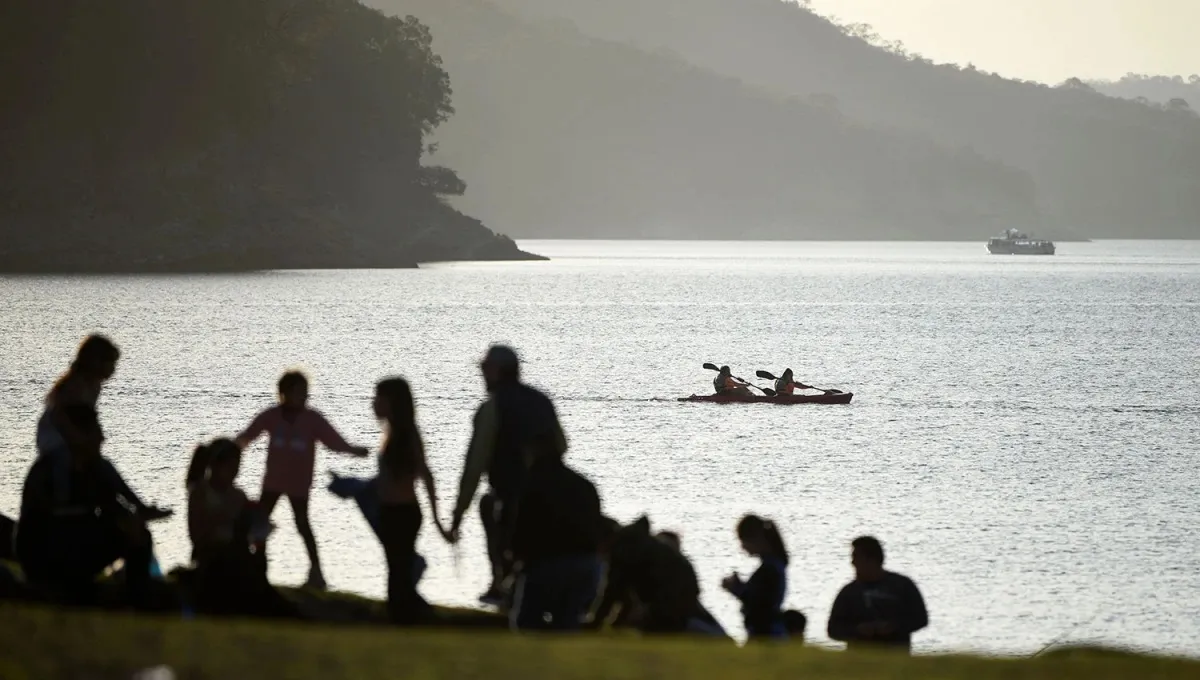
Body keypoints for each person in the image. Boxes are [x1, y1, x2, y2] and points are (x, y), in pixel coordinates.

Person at [448, 345, 568, 605]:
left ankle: (500, 584)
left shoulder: (492, 409)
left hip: (511, 494)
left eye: (484, 369)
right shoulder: (542, 400)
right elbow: (562, 445)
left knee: (489, 509)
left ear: (496, 372)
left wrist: (458, 512)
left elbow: (474, 464)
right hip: (550, 492)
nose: (481, 374)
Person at [236, 371, 369, 590]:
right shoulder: (272, 415)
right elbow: (248, 436)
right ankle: (256, 569)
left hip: (298, 484)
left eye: (305, 392)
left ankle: (316, 574)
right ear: (284, 393)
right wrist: (228, 448)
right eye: (298, 391)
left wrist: (354, 450)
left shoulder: (312, 419)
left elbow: (333, 441)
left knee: (302, 524)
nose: (303, 396)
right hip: (273, 482)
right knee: (260, 523)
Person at [16, 404, 155, 607]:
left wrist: (131, 522)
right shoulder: (48, 471)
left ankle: (136, 600)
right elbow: (44, 522)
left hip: (78, 542)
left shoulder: (97, 470)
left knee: (139, 536)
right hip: (47, 550)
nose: (102, 439)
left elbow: (114, 506)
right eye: (95, 432)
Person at [185, 439, 294, 618]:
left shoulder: (238, 495)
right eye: (231, 467)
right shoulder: (200, 493)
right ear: (215, 465)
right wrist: (223, 518)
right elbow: (196, 535)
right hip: (212, 557)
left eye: (237, 467)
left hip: (237, 553)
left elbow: (249, 531)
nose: (235, 473)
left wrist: (260, 528)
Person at [372, 377, 449, 625]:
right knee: (397, 570)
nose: (374, 404)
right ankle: (405, 615)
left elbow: (426, 475)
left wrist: (438, 521)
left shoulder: (406, 436)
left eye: (379, 399)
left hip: (403, 513)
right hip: (389, 511)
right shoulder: (390, 433)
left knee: (399, 572)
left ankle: (407, 617)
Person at [508, 453, 604, 631]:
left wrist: (513, 567)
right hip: (588, 567)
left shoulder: (532, 486)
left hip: (550, 566)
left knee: (526, 621)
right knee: (569, 619)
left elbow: (519, 537)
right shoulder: (585, 485)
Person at [37, 335, 120, 504]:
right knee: (65, 461)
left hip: (74, 434)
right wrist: (78, 440)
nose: (113, 369)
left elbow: (88, 418)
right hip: (54, 436)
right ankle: (62, 502)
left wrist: (90, 440)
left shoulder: (94, 386)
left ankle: (132, 505)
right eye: (110, 363)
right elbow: (59, 418)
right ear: (95, 361)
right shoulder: (75, 385)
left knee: (104, 466)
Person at [827, 536, 928, 653]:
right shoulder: (849, 592)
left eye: (856, 557)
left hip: (896, 657)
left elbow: (920, 619)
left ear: (872, 560)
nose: (852, 562)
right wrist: (858, 630)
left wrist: (893, 627)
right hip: (859, 661)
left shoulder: (902, 586)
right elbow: (833, 630)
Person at [722, 514, 789, 641]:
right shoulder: (773, 565)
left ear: (756, 539)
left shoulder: (770, 569)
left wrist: (736, 588)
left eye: (743, 541)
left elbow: (759, 604)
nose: (742, 547)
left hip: (766, 633)